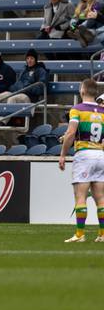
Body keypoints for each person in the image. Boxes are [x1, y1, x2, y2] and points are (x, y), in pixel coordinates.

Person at [59, 78, 104, 242]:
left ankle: (80, 234)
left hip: (84, 154)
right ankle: (102, 234)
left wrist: (63, 154)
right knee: (100, 197)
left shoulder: (77, 109)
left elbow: (71, 133)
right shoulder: (103, 111)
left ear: (83, 91)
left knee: (80, 196)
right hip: (100, 154)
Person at [0, 48, 49, 128]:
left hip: (30, 98)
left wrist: (27, 87)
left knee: (12, 99)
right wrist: (16, 87)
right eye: (27, 58)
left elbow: (41, 88)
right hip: (18, 93)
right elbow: (16, 85)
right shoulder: (24, 70)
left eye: (31, 58)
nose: (29, 60)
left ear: (35, 59)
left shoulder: (41, 71)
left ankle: (1, 122)